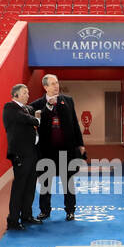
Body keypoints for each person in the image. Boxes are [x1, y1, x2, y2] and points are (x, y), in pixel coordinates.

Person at [32, 74, 86, 221]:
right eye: (53, 84)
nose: (56, 86)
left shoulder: (67, 101)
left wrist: (80, 144)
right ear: (45, 87)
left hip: (66, 150)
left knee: (68, 182)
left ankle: (70, 211)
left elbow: (74, 123)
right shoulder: (36, 104)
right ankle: (45, 211)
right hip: (46, 151)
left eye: (57, 83)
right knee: (45, 182)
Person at [2, 84, 41, 231]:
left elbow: (32, 116)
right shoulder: (10, 107)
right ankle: (13, 220)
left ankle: (26, 215)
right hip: (20, 154)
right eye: (24, 93)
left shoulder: (28, 108)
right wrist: (36, 120)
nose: (27, 95)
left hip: (32, 153)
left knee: (30, 186)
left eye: (28, 92)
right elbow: (28, 120)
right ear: (16, 95)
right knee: (19, 187)